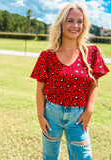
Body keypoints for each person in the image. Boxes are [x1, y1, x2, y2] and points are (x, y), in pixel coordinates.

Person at [30, 3, 110, 160]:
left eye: (79, 21)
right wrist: (40, 115)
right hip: (51, 114)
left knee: (83, 157)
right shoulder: (47, 56)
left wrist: (89, 110)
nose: (75, 25)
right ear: (61, 24)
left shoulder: (92, 53)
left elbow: (94, 85)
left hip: (78, 117)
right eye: (70, 21)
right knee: (50, 157)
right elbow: (40, 89)